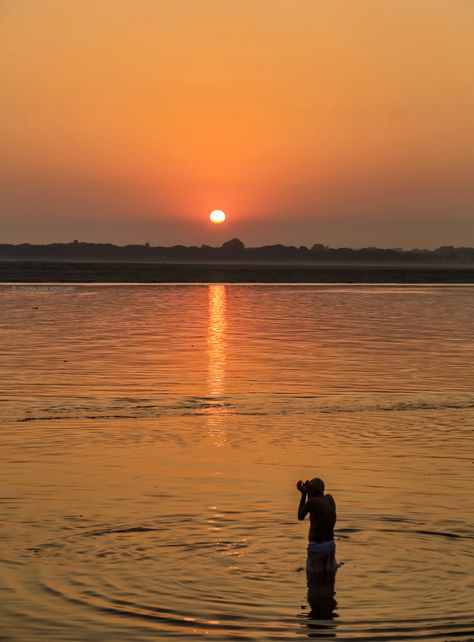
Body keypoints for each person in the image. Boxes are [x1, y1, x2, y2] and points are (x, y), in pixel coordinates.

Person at [296, 477, 337, 577]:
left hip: (317, 548)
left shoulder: (312, 502)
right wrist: (309, 491)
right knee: (329, 579)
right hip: (330, 546)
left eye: (309, 489)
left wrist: (303, 494)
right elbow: (315, 508)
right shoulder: (329, 499)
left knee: (313, 580)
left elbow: (300, 516)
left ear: (312, 491)